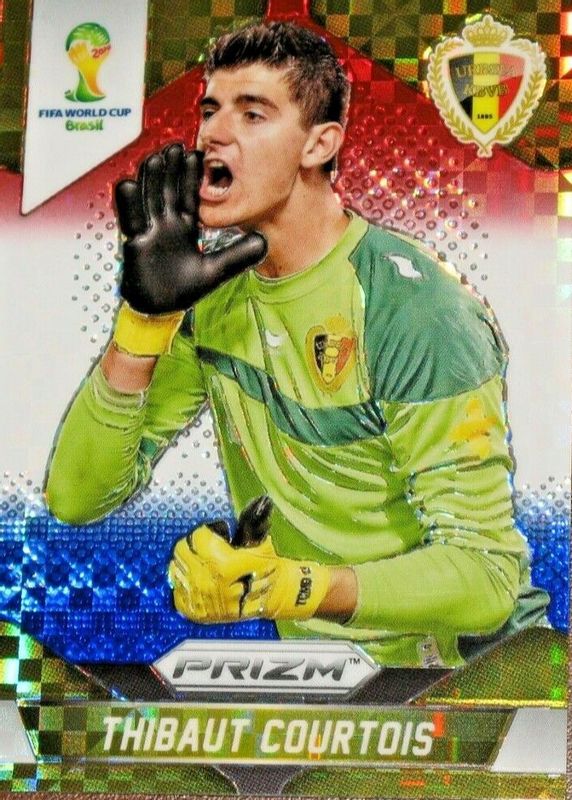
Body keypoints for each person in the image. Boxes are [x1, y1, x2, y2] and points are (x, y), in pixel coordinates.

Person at [45, 21, 548, 668]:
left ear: (320, 144)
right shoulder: (215, 299)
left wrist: (293, 586)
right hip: (330, 678)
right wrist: (142, 324)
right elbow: (79, 497)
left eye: (253, 113)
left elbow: (487, 579)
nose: (214, 133)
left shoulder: (413, 310)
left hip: (465, 678)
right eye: (211, 110)